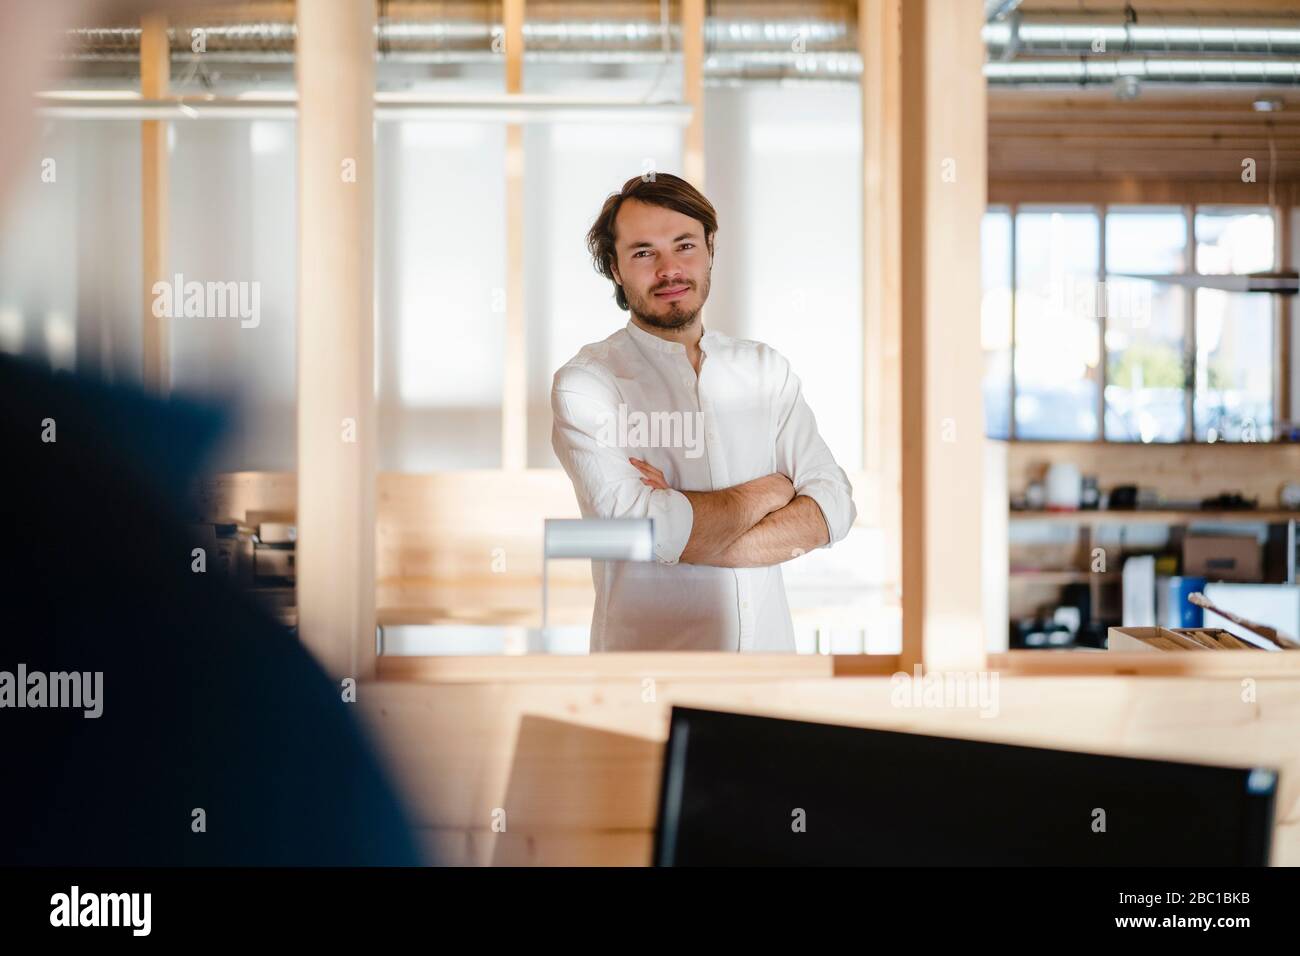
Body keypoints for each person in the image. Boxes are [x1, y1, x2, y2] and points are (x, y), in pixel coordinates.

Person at [551, 173, 857, 652]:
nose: (670, 269)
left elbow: (833, 508)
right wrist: (772, 490)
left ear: (710, 247)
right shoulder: (588, 384)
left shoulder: (765, 371)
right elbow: (641, 532)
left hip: (768, 677)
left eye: (684, 245)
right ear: (615, 268)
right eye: (643, 252)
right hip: (650, 677)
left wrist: (683, 527)